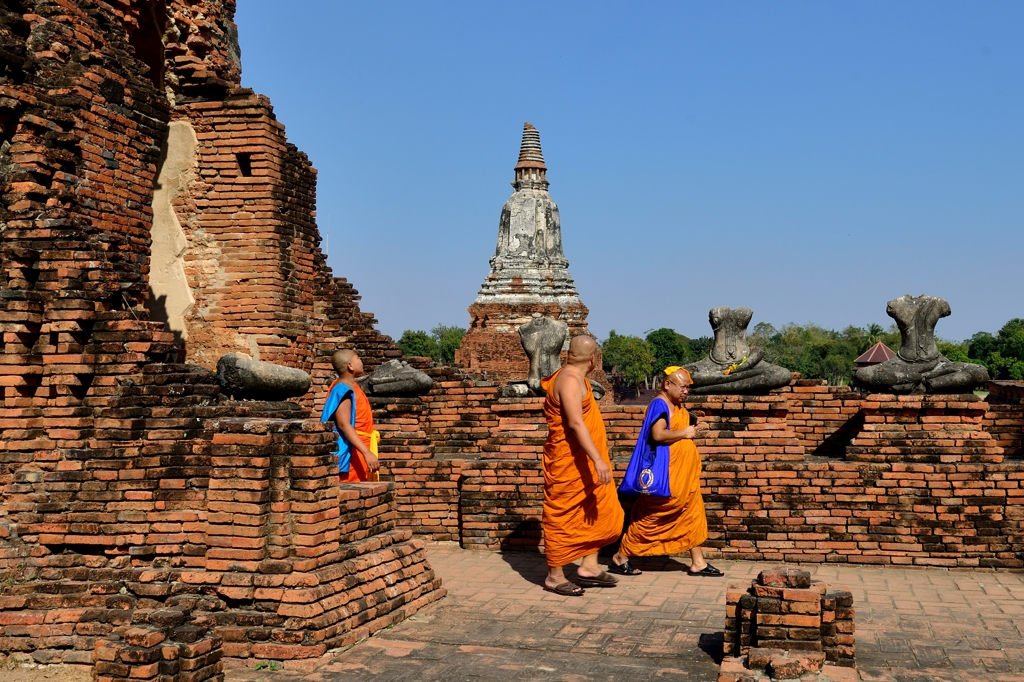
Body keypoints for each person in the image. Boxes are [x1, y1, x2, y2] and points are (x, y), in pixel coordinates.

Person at [610, 366, 722, 577]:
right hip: (668, 475)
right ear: (667, 384)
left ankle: (698, 562)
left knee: (691, 512)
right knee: (658, 513)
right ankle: (621, 555)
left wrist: (691, 430)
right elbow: (658, 435)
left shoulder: (675, 406)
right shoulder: (659, 404)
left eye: (688, 388)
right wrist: (685, 432)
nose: (685, 392)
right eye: (682, 387)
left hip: (684, 474)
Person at [539, 335, 625, 596]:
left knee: (597, 507)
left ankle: (589, 566)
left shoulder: (578, 379)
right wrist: (598, 459)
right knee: (562, 515)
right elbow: (576, 424)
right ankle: (554, 576)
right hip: (569, 462)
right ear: (592, 358)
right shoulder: (568, 380)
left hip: (583, 462)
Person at [320, 349, 380, 482]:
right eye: (358, 358)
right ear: (350, 366)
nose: (361, 361)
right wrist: (366, 452)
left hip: (360, 446)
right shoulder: (343, 389)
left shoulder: (352, 386)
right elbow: (343, 424)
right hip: (352, 451)